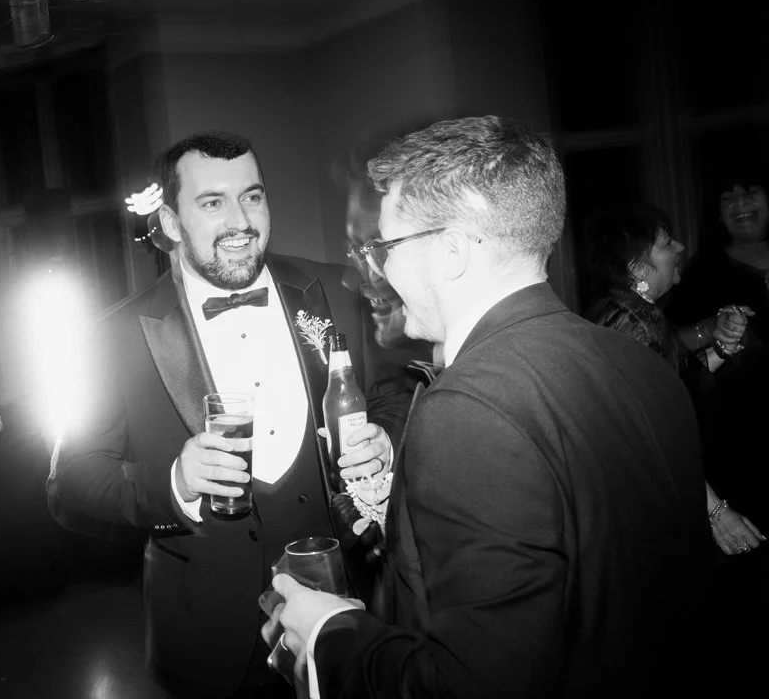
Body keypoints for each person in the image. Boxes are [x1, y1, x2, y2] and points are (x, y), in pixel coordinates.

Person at [263, 116, 713, 698]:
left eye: (384, 247)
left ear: (450, 252)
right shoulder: (641, 362)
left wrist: (328, 635)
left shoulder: (465, 410)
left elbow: (471, 684)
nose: (376, 270)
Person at [46, 130, 411, 699]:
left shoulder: (332, 292)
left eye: (253, 196)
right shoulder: (111, 336)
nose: (241, 219)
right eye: (212, 202)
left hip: (346, 609)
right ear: (169, 222)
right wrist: (174, 481)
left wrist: (383, 435)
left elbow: (389, 390)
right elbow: (71, 482)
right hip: (210, 640)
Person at [581, 202, 762, 556]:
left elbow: (674, 382)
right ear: (637, 267)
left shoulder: (632, 311)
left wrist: (723, 348)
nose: (679, 248)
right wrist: (717, 512)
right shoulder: (632, 324)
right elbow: (655, 433)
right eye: (666, 244)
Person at [664, 171, 769, 696]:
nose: (739, 202)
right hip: (741, 453)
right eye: (725, 194)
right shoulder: (703, 275)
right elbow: (679, 371)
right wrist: (717, 336)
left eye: (749, 189)